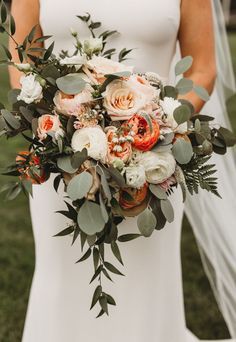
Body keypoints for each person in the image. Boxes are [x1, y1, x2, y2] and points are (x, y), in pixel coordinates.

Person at [8, 0, 236, 341]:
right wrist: (59, 128)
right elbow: (22, 57)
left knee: (144, 281)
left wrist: (157, 129)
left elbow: (202, 68)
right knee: (65, 279)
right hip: (63, 165)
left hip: (154, 165)